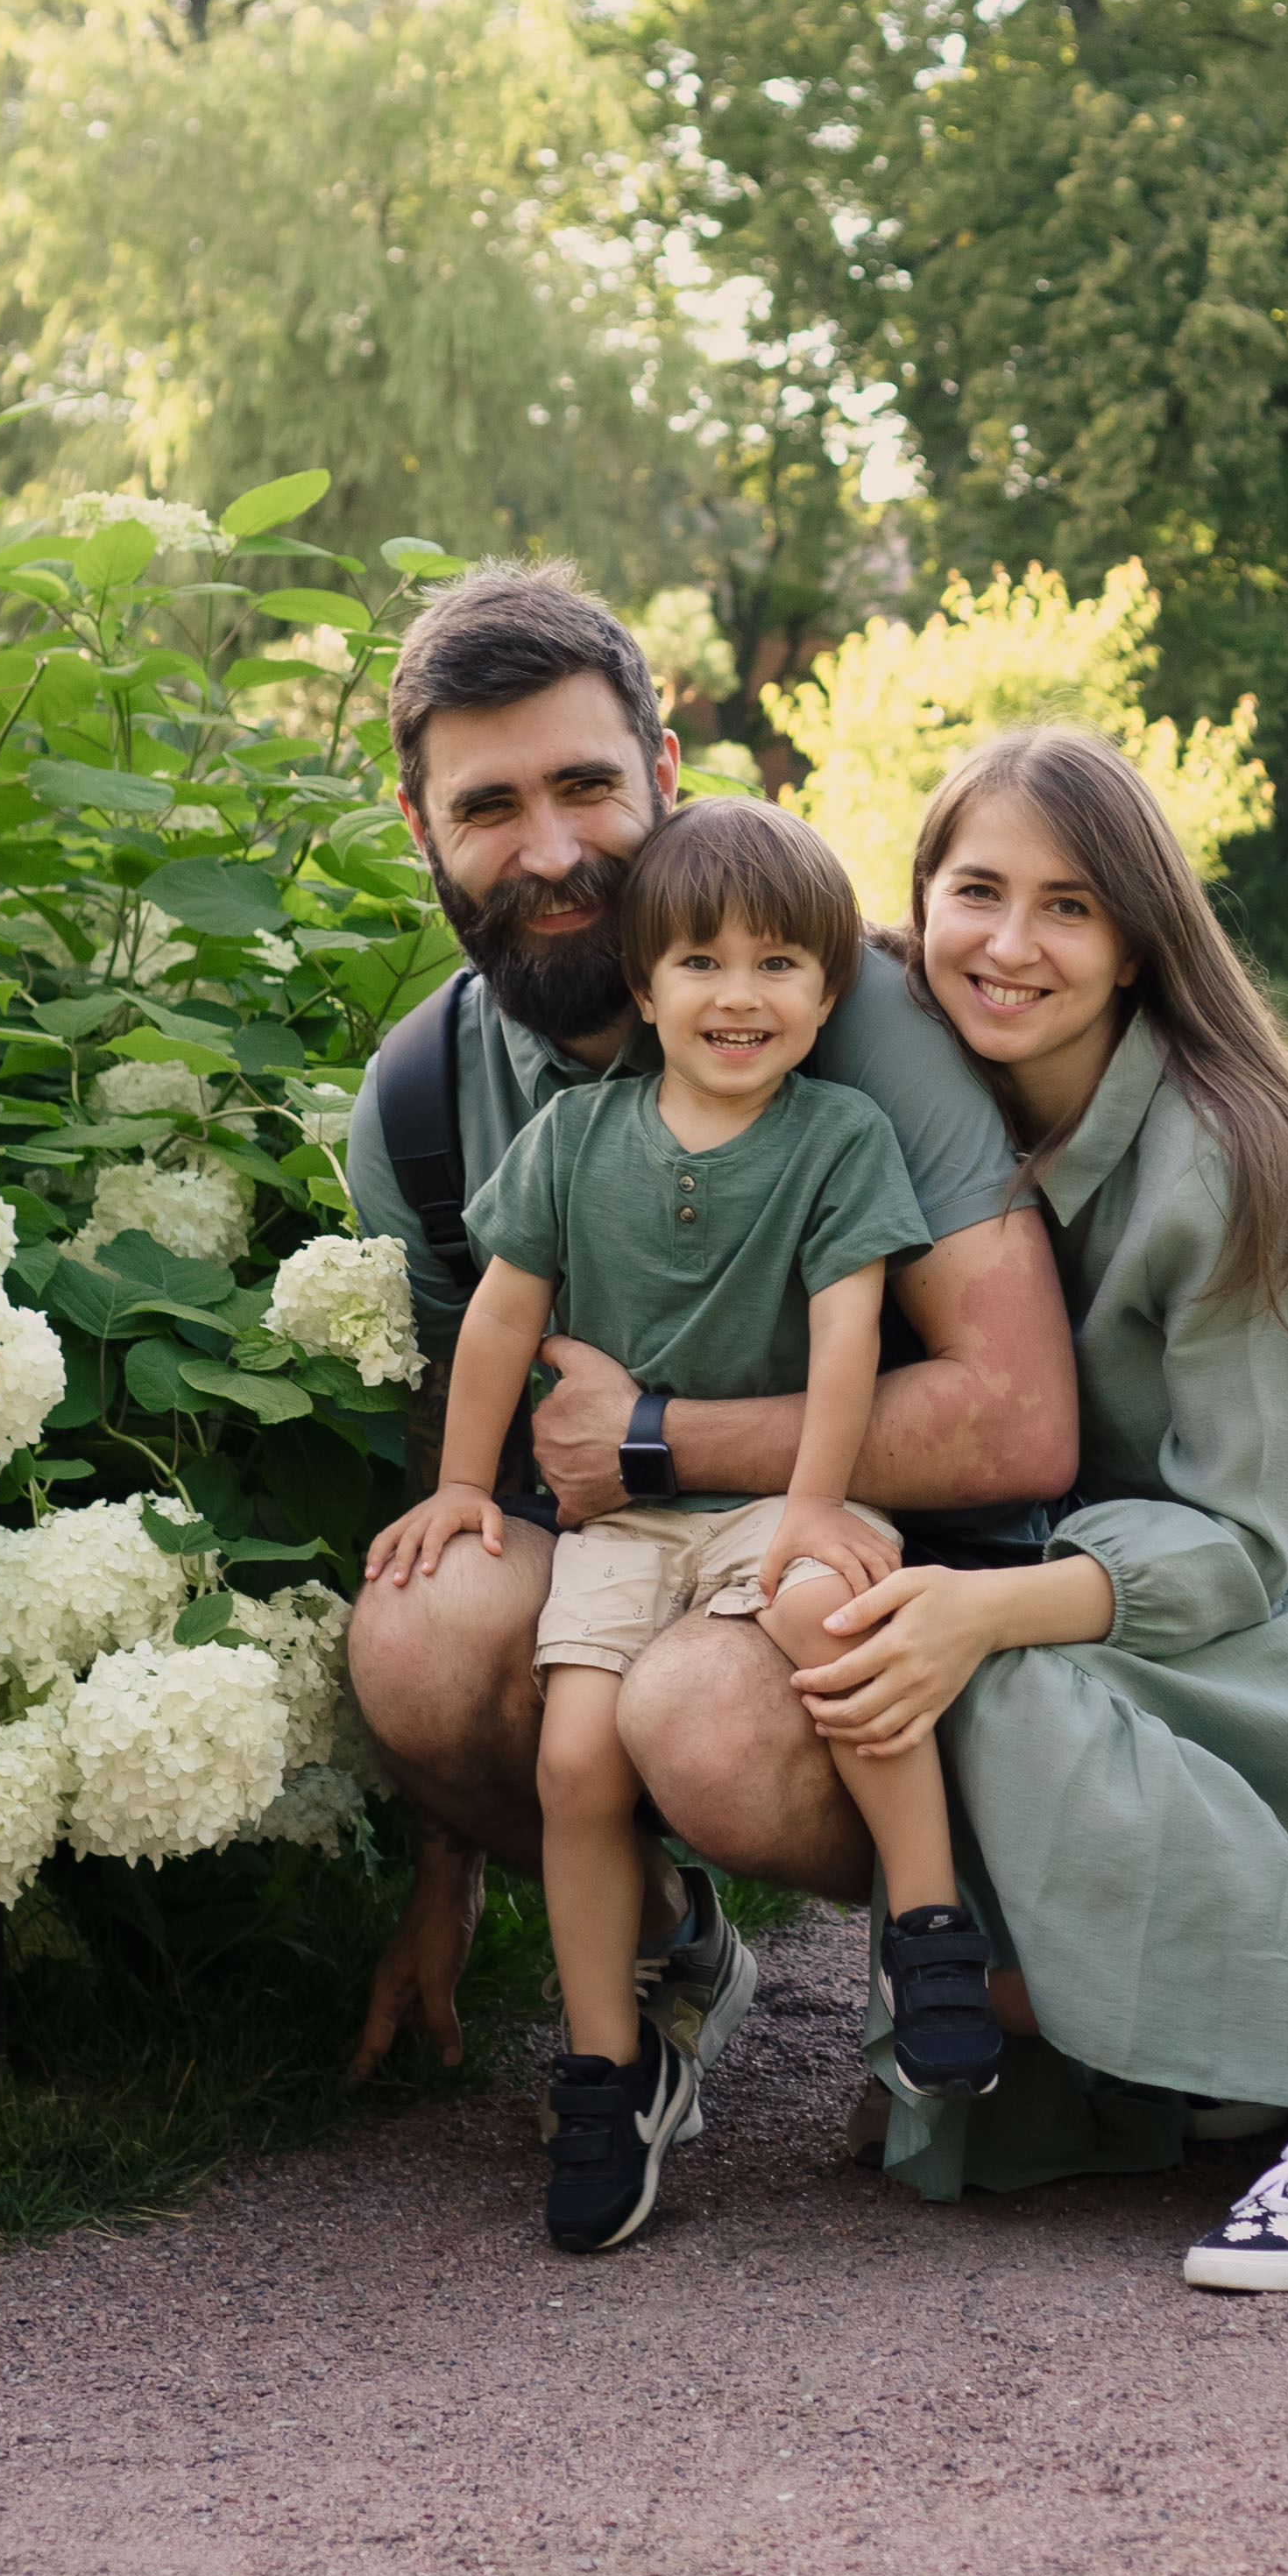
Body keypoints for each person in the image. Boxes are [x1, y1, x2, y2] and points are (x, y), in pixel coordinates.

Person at [779, 726, 1288, 2292]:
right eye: (977, 892)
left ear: (1139, 936)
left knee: (990, 1664)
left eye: (1068, 906)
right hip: (1235, 1640)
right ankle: (1165, 2050)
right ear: (917, 904)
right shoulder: (957, 1119)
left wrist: (987, 1604)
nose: (1010, 944)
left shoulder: (1224, 1162)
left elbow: (1233, 1545)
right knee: (924, 1638)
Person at [343, 566, 1077, 2100]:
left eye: (587, 786)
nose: (549, 853)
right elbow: (447, 1459)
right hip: (631, 1568)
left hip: (893, 1579)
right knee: (416, 1631)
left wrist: (657, 1433)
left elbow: (1018, 1417)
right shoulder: (421, 1105)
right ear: (423, 830)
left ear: (665, 774)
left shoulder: (854, 1022)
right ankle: (670, 1942)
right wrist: (446, 1871)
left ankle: (993, 1942)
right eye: (488, 805)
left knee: (709, 1709)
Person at [364, 799, 1003, 2249]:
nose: (739, 995)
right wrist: (468, 1482)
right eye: (702, 964)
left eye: (781, 965)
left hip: (777, 1489)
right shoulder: (577, 1141)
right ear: (643, 987)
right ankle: (609, 2060)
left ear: (831, 993)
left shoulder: (839, 1136)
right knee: (576, 1752)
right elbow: (499, 1321)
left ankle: (927, 1931)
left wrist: (822, 1501)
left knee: (823, 1610)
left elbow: (849, 1343)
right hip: (624, 1529)